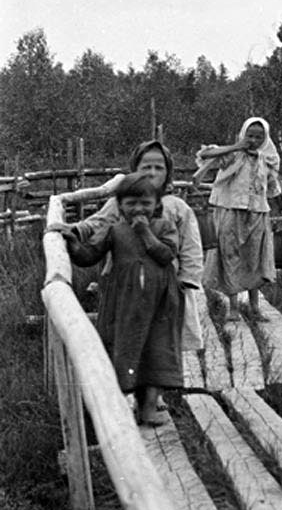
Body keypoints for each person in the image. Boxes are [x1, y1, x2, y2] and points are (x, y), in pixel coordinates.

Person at [58, 171, 184, 426]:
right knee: (123, 348)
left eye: (145, 203)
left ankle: (148, 408)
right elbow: (90, 255)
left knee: (156, 350)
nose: (138, 209)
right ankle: (120, 409)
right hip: (124, 303)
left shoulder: (164, 226)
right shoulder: (114, 230)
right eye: (131, 203)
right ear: (120, 205)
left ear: (157, 204)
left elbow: (166, 255)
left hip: (160, 303)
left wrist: (146, 234)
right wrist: (72, 245)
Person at [56, 139, 206, 351]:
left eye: (158, 168)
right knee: (129, 336)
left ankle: (165, 380)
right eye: (146, 167)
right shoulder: (121, 203)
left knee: (164, 339)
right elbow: (99, 222)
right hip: (126, 282)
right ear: (135, 170)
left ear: (168, 172)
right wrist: (76, 230)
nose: (152, 173)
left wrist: (187, 279)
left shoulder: (178, 208)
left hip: (166, 284)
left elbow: (191, 247)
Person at [195, 117, 280, 321]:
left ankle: (254, 307)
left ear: (265, 138)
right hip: (230, 210)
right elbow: (205, 154)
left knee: (254, 258)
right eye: (250, 135)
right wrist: (237, 146)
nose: (254, 140)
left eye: (259, 136)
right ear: (243, 135)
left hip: (257, 212)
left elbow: (271, 186)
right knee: (229, 255)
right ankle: (233, 307)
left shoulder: (268, 157)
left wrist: (274, 212)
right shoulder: (232, 155)